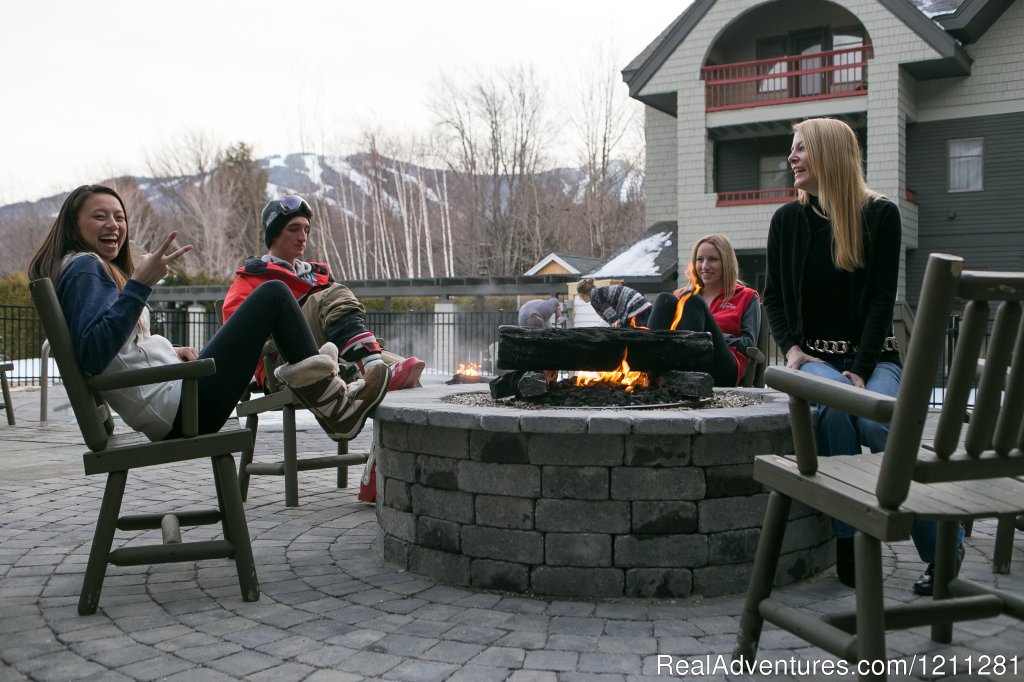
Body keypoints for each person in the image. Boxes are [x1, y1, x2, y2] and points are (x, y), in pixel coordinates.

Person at [763, 117, 962, 593]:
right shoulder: (786, 221)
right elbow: (772, 296)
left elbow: (879, 301)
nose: (791, 158)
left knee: (874, 420)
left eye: (800, 149)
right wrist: (791, 349)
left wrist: (860, 369)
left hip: (875, 358)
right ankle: (850, 540)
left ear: (829, 154)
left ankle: (938, 548)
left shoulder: (881, 214)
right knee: (835, 413)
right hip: (812, 361)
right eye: (792, 150)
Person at [27, 184, 389, 444]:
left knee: (274, 295)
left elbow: (121, 350)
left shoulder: (84, 269)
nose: (114, 225)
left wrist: (171, 353)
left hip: (177, 403)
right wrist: (140, 285)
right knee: (274, 294)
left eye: (119, 217)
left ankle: (333, 401)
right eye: (100, 216)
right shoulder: (86, 268)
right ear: (74, 226)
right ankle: (335, 407)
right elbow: (94, 352)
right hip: (180, 411)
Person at [224, 195, 424, 392]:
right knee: (333, 293)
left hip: (331, 353)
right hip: (282, 364)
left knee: (409, 372)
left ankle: (374, 368)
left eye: (306, 229)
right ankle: (371, 368)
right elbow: (238, 334)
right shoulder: (252, 277)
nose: (302, 237)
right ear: (273, 233)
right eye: (293, 229)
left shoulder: (317, 275)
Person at [645, 234, 760, 387]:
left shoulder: (746, 296)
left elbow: (748, 344)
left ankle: (684, 378)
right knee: (664, 299)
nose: (705, 266)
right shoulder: (680, 296)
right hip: (677, 360)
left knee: (693, 302)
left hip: (724, 367)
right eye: (700, 259)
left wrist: (710, 336)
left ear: (726, 262)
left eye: (712, 259)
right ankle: (648, 372)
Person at [577, 279, 652, 328]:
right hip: (642, 306)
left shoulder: (596, 298)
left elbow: (613, 318)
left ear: (581, 294)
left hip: (636, 310)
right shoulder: (598, 293)